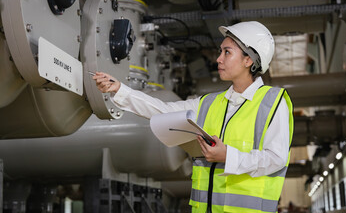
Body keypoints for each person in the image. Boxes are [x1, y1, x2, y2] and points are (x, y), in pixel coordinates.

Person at [93, 21, 294, 213]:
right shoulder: (208, 103)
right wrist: (120, 90)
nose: (219, 59)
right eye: (220, 52)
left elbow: (276, 158)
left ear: (248, 59)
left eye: (227, 52)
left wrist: (228, 156)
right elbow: (163, 110)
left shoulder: (273, 103)